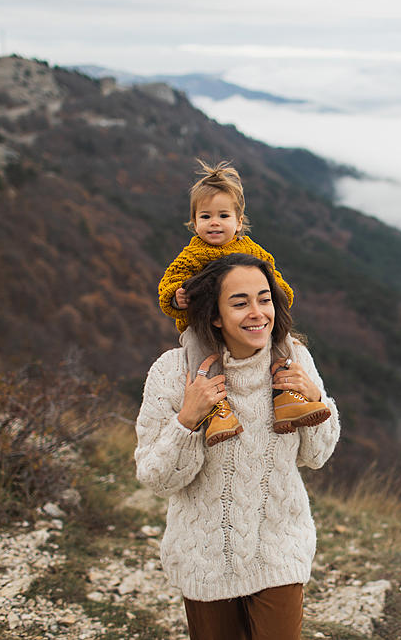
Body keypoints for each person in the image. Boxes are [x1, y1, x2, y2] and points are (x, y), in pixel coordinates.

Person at [135, 253, 340, 640]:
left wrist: (316, 401)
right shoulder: (172, 372)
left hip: (280, 547)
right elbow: (156, 478)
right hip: (204, 555)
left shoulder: (294, 359)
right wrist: (188, 419)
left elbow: (316, 456)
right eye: (240, 302)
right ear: (215, 315)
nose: (257, 313)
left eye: (264, 299)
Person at [157, 160, 329, 446]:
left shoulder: (252, 250)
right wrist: (177, 296)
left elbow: (275, 281)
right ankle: (216, 408)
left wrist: (277, 296)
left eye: (223, 215)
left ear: (238, 222)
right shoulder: (191, 255)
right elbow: (168, 286)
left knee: (282, 339)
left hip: (252, 329)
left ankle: (287, 395)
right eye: (205, 216)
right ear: (194, 222)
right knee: (200, 352)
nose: (214, 222)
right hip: (201, 325)